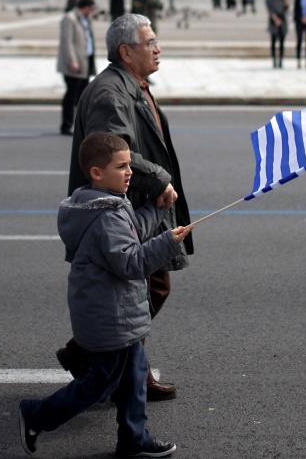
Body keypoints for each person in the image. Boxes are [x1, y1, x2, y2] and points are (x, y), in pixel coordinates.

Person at [19, 132, 191, 458]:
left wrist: (156, 211)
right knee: (102, 382)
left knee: (134, 378)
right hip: (109, 316)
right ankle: (36, 415)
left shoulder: (105, 202)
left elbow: (131, 232)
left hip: (119, 312)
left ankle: (134, 439)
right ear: (97, 172)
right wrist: (168, 242)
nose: (129, 172)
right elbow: (131, 261)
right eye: (121, 166)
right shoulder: (106, 215)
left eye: (129, 165)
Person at [57, 14, 194, 403]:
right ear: (125, 51)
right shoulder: (110, 94)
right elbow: (115, 150)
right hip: (119, 211)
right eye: (149, 42)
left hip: (134, 205)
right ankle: (118, 369)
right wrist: (159, 180)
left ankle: (102, 360)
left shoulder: (131, 84)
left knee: (143, 288)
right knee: (151, 285)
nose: (157, 47)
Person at [57, 0, 97, 136]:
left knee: (83, 96)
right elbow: (66, 42)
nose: (91, 12)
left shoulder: (85, 19)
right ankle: (66, 125)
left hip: (85, 61)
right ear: (86, 7)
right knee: (71, 95)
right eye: (91, 9)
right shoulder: (69, 19)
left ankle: (81, 124)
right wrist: (71, 61)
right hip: (74, 64)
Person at [265, 0, 288, 68]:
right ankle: (274, 60)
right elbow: (270, 10)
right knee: (273, 42)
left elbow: (286, 8)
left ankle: (281, 60)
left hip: (282, 21)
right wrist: (275, 19)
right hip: (273, 21)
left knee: (282, 43)